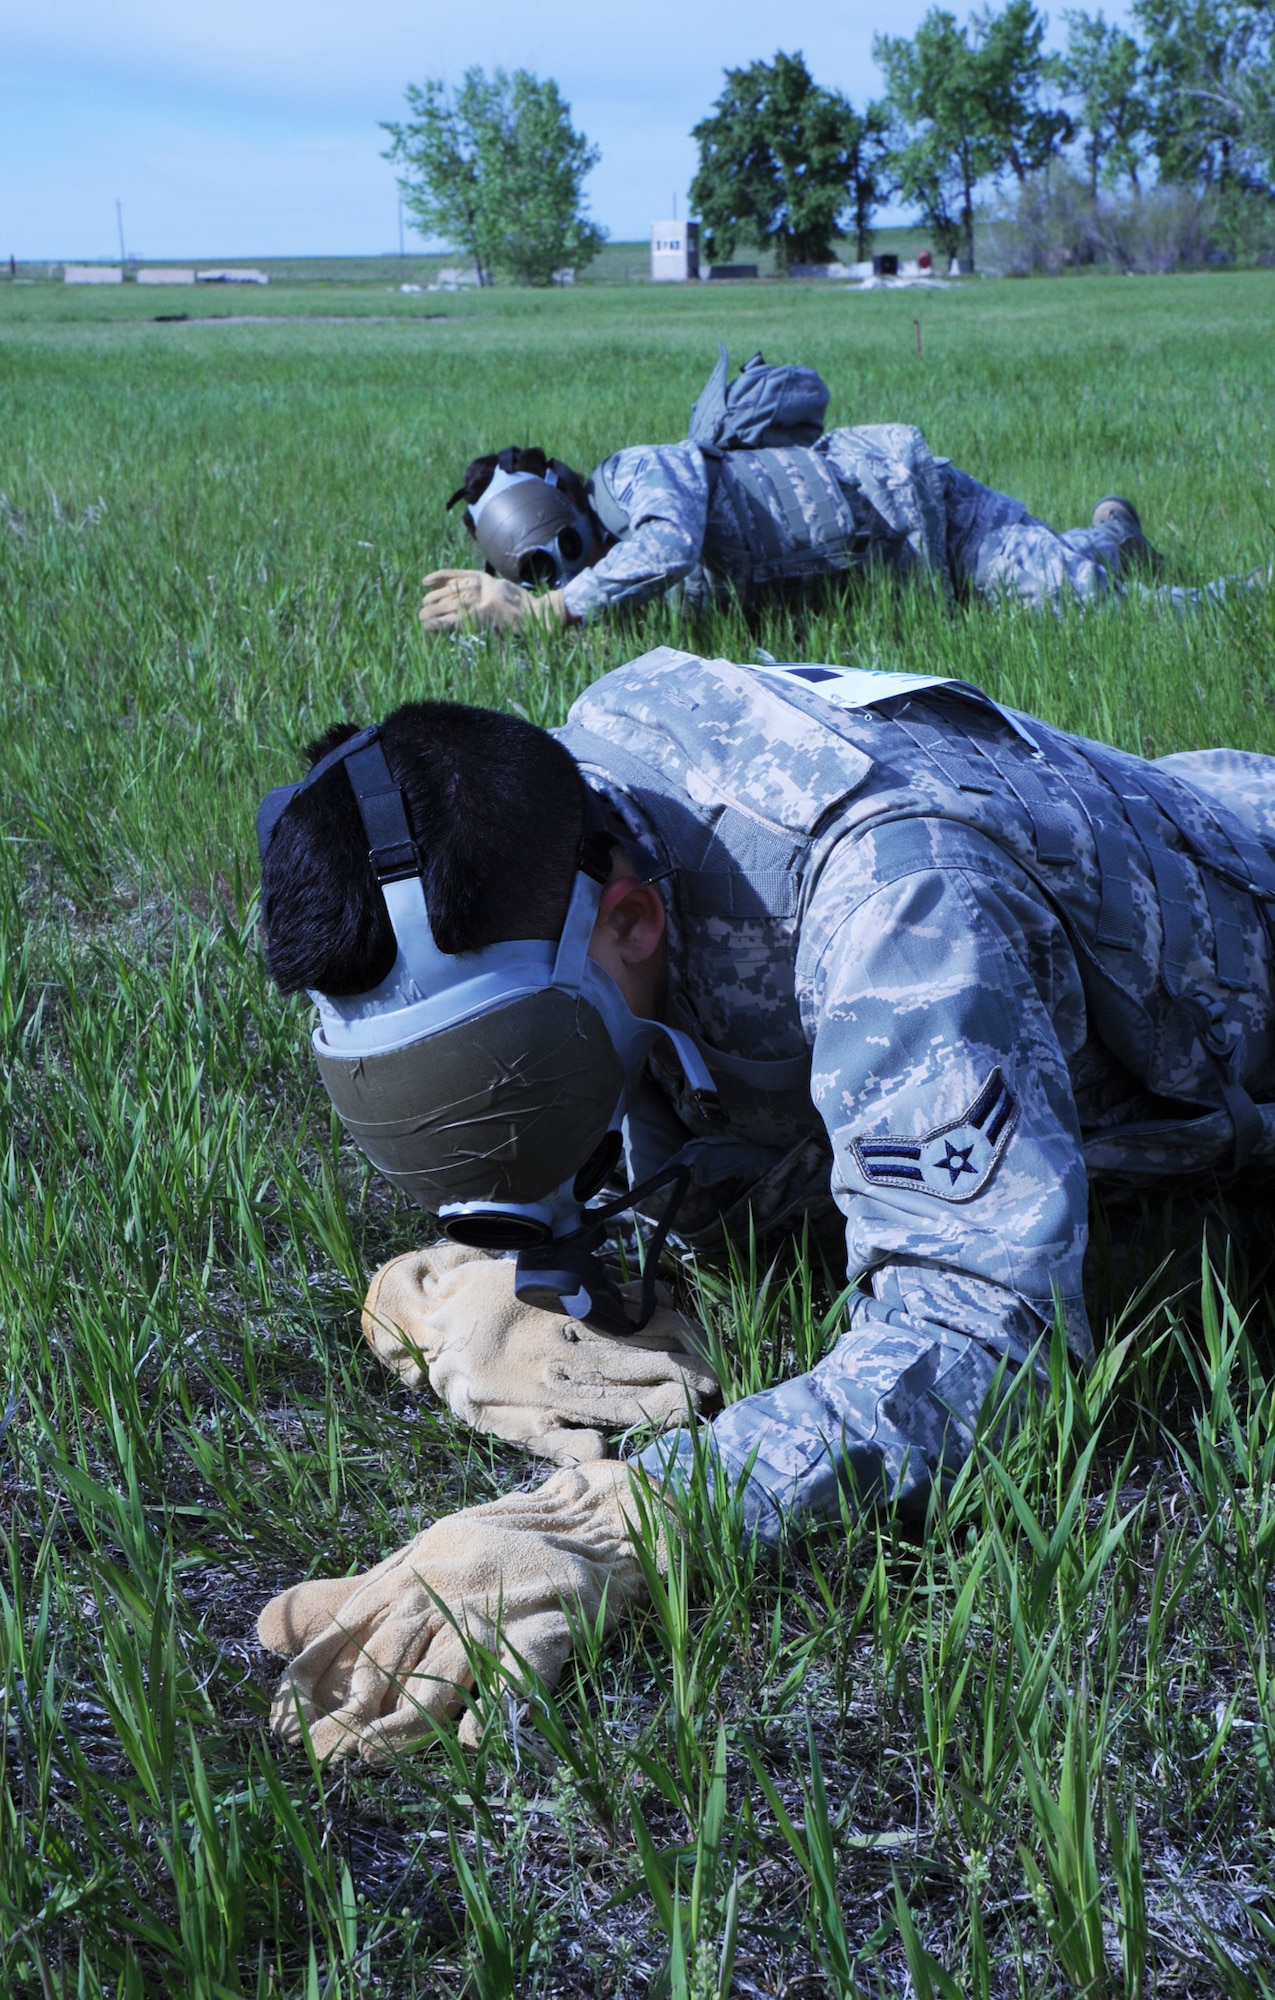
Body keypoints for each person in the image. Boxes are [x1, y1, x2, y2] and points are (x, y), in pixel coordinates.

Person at [253, 648, 1275, 1761]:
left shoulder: (899, 907)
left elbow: (995, 1334)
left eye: (506, 1072)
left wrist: (630, 1521)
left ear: (635, 921)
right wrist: (536, 1240)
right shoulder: (556, 822)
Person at [415, 346, 1205, 638]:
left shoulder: (635, 475)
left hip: (928, 510)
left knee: (1099, 612)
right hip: (909, 584)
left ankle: (1233, 592)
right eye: (538, 575)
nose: (560, 570)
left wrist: (549, 612)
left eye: (555, 554)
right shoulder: (627, 605)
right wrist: (496, 626)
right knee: (1061, 594)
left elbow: (671, 545)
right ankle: (1112, 538)